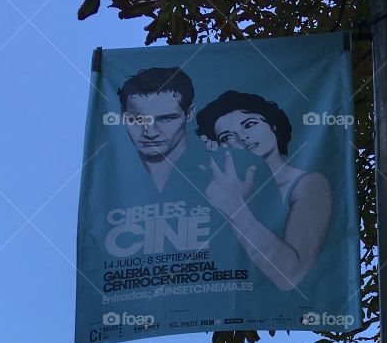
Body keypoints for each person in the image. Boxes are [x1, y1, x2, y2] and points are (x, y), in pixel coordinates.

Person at [117, 71, 285, 287]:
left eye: (166, 118)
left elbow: (284, 270)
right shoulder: (110, 180)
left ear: (189, 114)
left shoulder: (235, 169)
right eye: (137, 120)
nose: (150, 132)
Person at [195, 90, 333, 291]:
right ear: (219, 147)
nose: (242, 137)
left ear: (272, 126)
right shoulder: (225, 189)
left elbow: (290, 275)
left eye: (249, 124)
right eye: (227, 136)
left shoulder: (308, 184)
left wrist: (233, 206)